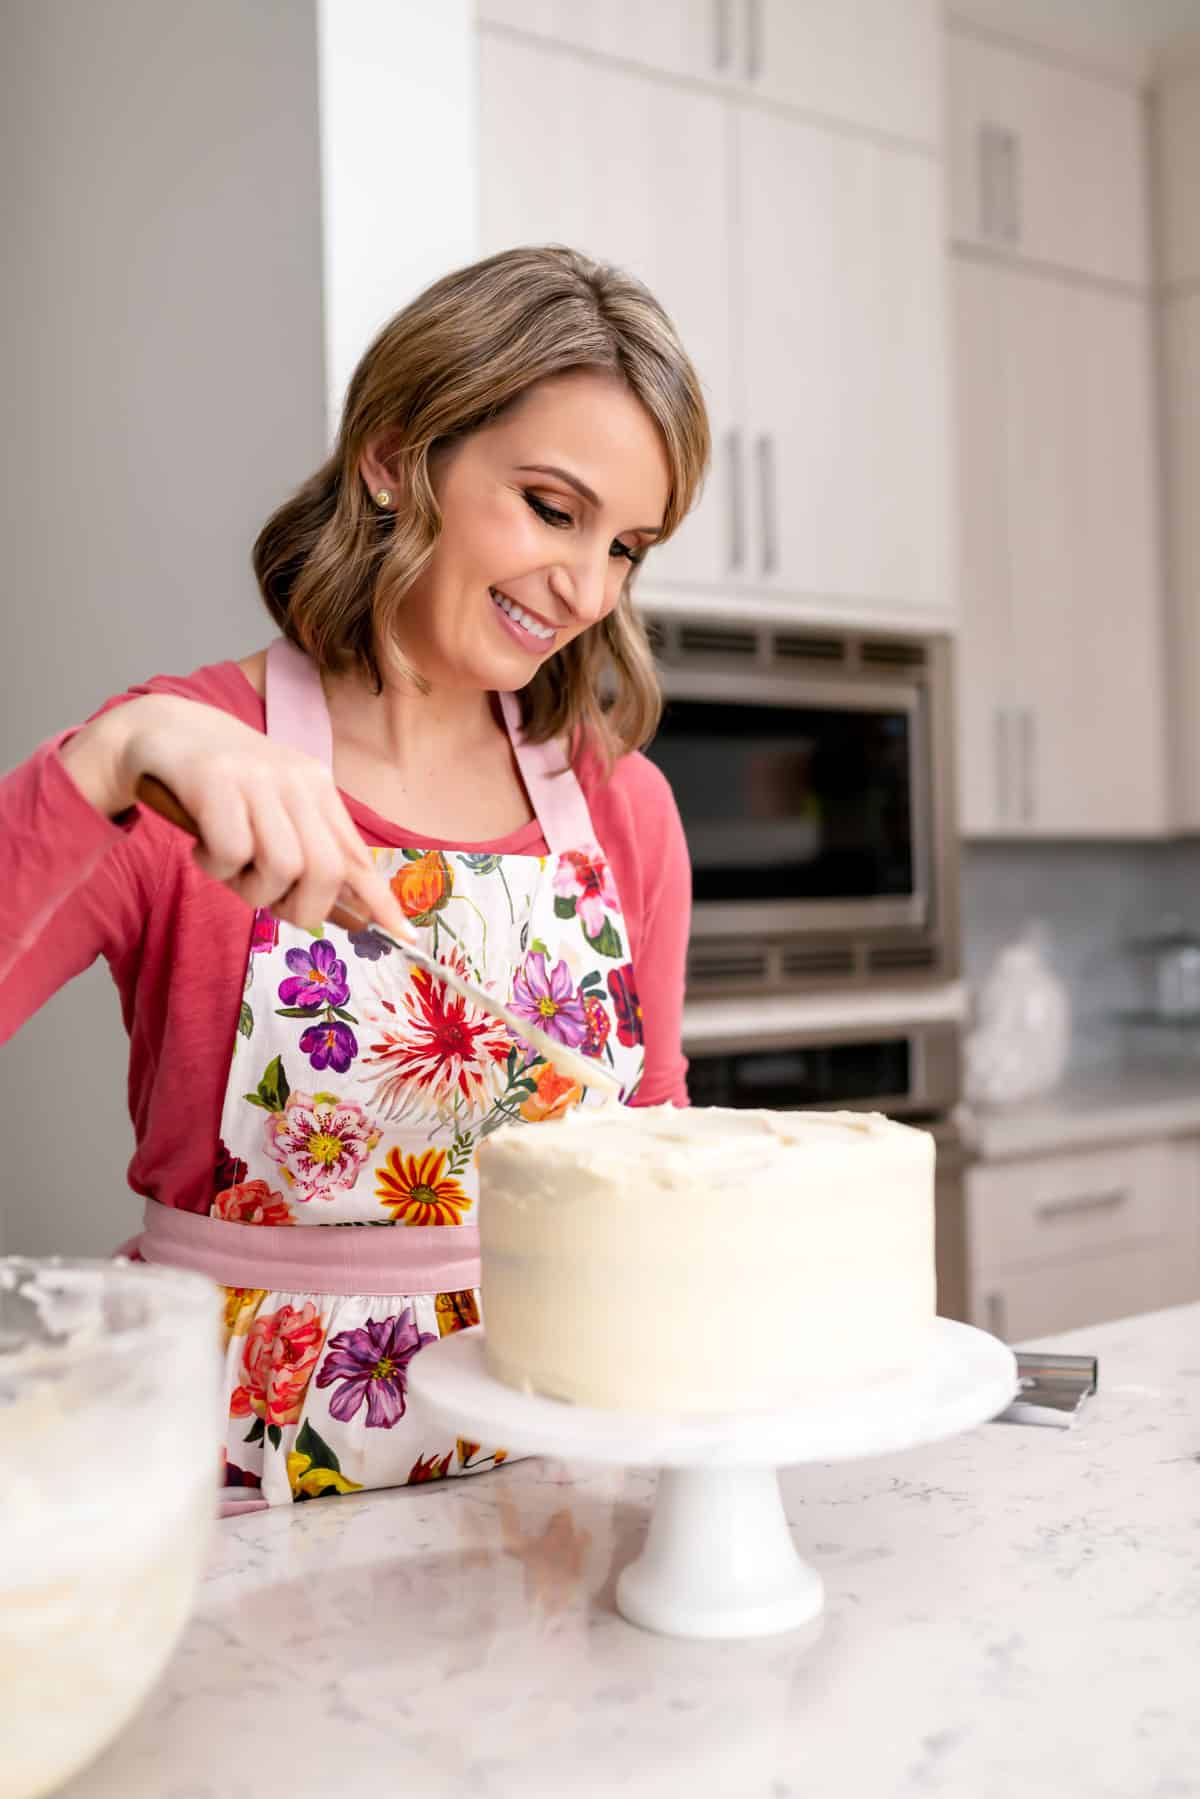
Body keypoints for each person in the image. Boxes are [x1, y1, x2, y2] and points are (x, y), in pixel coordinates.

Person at [0, 244, 708, 1509]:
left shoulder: (622, 809)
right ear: (394, 455)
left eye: (629, 547)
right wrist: (106, 757)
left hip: (555, 1479)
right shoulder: (183, 769)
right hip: (234, 1491)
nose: (588, 589)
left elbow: (654, 1174)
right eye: (553, 508)